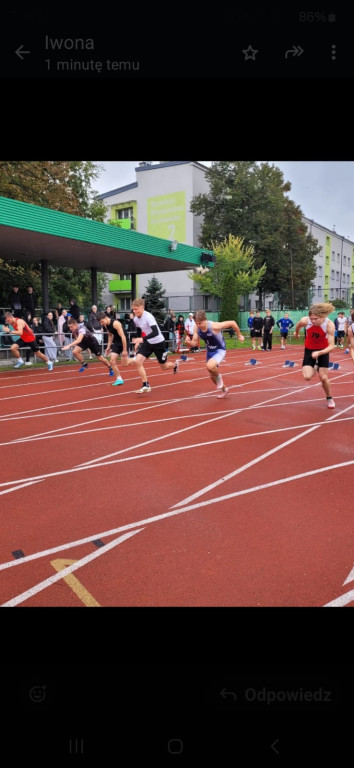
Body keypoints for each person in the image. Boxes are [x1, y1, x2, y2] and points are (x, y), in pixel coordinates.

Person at [123, 298, 179, 393]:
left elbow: (156, 332)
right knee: (138, 361)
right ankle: (146, 385)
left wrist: (142, 339)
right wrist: (138, 340)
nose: (135, 311)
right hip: (148, 342)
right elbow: (139, 330)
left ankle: (175, 365)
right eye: (133, 309)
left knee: (163, 366)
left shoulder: (148, 317)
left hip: (159, 342)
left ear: (142, 307)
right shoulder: (136, 319)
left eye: (136, 309)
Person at [185, 310, 245, 398]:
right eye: (196, 323)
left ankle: (219, 377)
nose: (198, 325)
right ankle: (225, 389)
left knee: (209, 366)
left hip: (219, 350)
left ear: (205, 320)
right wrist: (189, 342)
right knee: (211, 375)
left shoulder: (214, 326)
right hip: (210, 351)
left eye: (199, 323)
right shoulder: (196, 328)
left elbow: (232, 323)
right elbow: (194, 343)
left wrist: (239, 335)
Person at [294, 302, 336, 409]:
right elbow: (298, 325)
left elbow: (332, 346)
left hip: (323, 350)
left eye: (315, 319)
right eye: (311, 318)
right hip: (309, 349)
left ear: (322, 317)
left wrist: (319, 353)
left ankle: (329, 398)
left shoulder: (329, 325)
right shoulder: (305, 321)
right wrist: (297, 333)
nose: (312, 321)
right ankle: (315, 366)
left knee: (323, 377)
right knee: (307, 377)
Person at [97, 311, 128, 385]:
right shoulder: (106, 325)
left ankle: (136, 358)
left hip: (124, 341)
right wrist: (108, 347)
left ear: (106, 318)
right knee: (112, 360)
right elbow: (110, 335)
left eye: (102, 321)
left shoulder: (115, 323)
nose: (101, 323)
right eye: (100, 322)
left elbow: (123, 337)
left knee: (124, 363)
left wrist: (124, 350)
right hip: (117, 342)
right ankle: (119, 379)